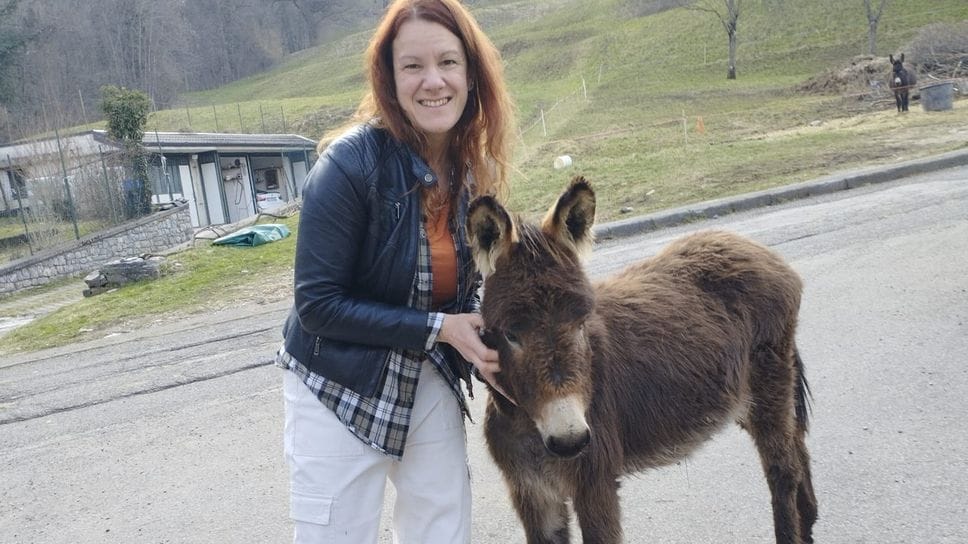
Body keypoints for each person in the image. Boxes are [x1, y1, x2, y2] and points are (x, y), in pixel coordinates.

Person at [275, 0, 516, 542]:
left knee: (442, 529)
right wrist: (439, 328)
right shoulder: (348, 164)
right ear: (390, 78)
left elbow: (468, 292)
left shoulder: (472, 168)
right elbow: (317, 306)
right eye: (413, 66)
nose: (433, 81)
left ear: (472, 74)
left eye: (449, 62)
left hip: (425, 372)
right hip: (336, 382)